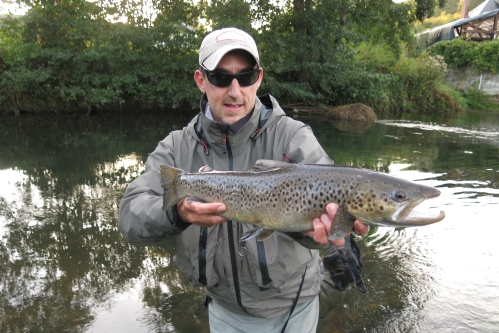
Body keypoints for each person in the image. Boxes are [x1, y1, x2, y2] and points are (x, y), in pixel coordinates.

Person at [118, 27, 369, 333]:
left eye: (246, 77)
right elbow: (130, 218)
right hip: (224, 311)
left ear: (259, 78)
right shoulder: (176, 147)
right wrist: (176, 212)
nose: (235, 90)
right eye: (221, 78)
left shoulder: (293, 138)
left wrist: (320, 232)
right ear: (201, 81)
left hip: (294, 307)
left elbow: (325, 218)